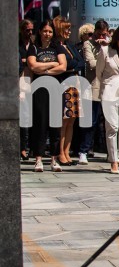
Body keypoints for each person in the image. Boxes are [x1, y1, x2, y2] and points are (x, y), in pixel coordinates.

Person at [27, 20, 67, 172]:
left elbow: (62, 66)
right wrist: (52, 64)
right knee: (40, 122)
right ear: (40, 32)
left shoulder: (57, 47)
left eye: (50, 31)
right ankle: (38, 159)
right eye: (45, 31)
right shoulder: (34, 47)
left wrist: (43, 70)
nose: (47, 34)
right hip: (39, 89)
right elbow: (32, 66)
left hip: (55, 87)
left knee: (55, 124)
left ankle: (54, 159)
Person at [95, 25, 119, 174]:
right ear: (116, 37)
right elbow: (99, 72)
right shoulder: (105, 51)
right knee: (112, 128)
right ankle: (113, 161)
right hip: (110, 92)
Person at [53, 17, 84, 166]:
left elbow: (80, 62)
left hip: (75, 84)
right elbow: (68, 65)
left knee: (71, 120)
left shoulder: (69, 45)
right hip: (63, 84)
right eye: (66, 29)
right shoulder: (55, 47)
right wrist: (71, 65)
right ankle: (60, 152)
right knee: (63, 121)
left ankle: (67, 151)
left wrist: (71, 65)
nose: (68, 32)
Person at [78, 19, 109, 165]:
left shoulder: (110, 45)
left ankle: (111, 152)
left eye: (104, 34)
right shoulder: (88, 44)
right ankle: (83, 150)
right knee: (91, 121)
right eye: (99, 34)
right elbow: (91, 64)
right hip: (93, 87)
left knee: (110, 122)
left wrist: (106, 47)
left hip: (110, 88)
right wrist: (103, 54)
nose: (102, 37)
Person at [19, 19, 35, 160]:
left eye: (31, 30)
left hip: (35, 81)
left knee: (33, 116)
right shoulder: (17, 44)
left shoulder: (34, 44)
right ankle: (23, 147)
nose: (29, 32)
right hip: (22, 82)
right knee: (24, 115)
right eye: (27, 30)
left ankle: (31, 147)